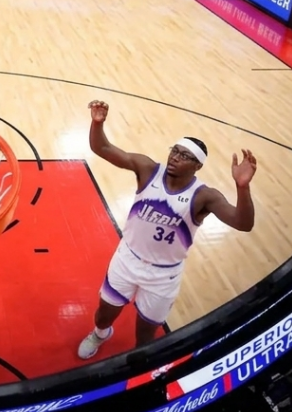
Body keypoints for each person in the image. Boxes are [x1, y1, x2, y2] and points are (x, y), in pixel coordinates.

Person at [78, 100, 257, 358]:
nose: (175, 157)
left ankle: (139, 361)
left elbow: (243, 223)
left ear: (197, 166)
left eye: (185, 156)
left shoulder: (204, 196)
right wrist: (97, 124)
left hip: (164, 275)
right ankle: (100, 334)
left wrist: (243, 188)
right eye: (175, 151)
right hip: (127, 259)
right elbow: (102, 147)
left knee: (146, 335)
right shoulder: (148, 169)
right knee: (103, 314)